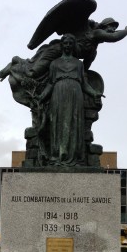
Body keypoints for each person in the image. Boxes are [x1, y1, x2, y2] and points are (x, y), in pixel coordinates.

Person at [37, 34, 99, 166]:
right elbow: (50, 83)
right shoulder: (54, 63)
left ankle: (75, 157)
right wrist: (42, 96)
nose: (68, 45)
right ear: (62, 45)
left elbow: (84, 84)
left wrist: (94, 93)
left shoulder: (79, 64)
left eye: (70, 43)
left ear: (73, 45)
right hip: (58, 93)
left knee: (74, 122)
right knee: (58, 122)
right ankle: (58, 155)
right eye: (65, 43)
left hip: (75, 92)